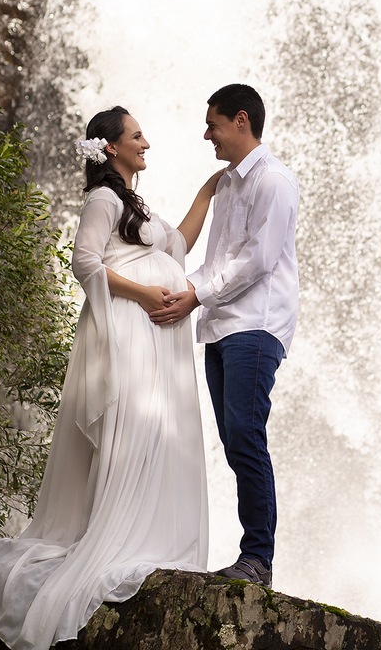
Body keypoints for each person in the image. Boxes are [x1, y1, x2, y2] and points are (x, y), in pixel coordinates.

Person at [0, 106, 222, 650]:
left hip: (151, 336)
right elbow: (84, 262)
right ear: (112, 147)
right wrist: (146, 293)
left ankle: (141, 532)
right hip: (125, 329)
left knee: (149, 434)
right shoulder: (103, 199)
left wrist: (210, 190)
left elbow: (179, 245)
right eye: (137, 135)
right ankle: (111, 534)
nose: (147, 141)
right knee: (128, 430)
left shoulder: (133, 204)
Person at [149, 84, 299, 589]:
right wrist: (185, 290)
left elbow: (258, 260)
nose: (206, 134)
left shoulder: (274, 181)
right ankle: (252, 555)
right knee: (235, 438)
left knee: (244, 432)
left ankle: (258, 559)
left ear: (241, 120)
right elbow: (217, 260)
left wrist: (195, 295)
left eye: (212, 124)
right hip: (220, 325)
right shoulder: (227, 185)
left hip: (256, 325)